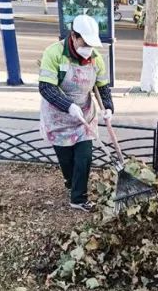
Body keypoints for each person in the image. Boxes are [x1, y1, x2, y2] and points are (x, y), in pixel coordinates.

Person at [38, 15, 113, 212]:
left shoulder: (96, 59)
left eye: (91, 44)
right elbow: (46, 88)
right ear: (73, 36)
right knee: (67, 161)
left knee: (84, 157)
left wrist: (108, 107)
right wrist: (68, 105)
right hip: (58, 117)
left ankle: (78, 198)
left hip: (84, 118)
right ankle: (71, 183)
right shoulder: (53, 53)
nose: (88, 49)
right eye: (85, 43)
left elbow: (102, 87)